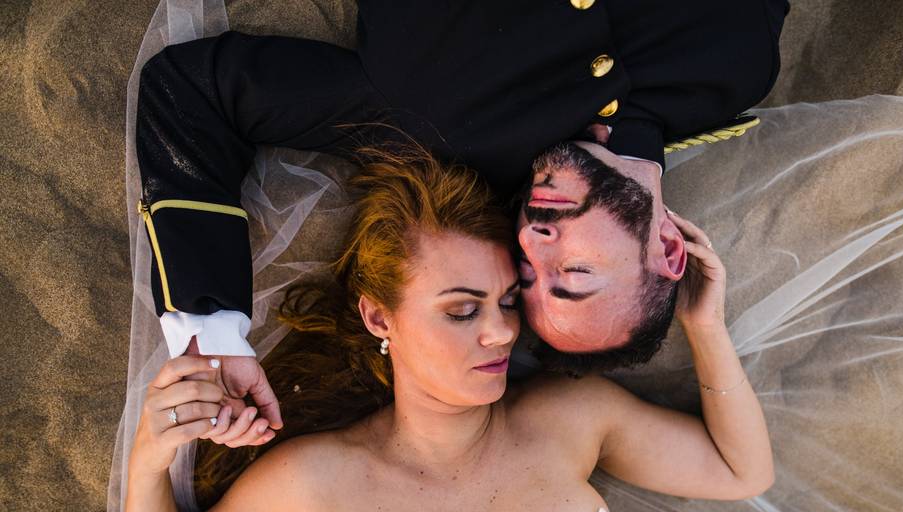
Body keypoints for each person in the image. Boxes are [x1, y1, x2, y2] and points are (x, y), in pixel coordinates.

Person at [113, 146, 774, 512]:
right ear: (380, 318)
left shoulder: (571, 418)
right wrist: (148, 463)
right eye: (462, 310)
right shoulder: (316, 485)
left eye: (509, 302)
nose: (499, 333)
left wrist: (702, 324)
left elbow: (741, 469)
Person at [133, 0, 790, 428]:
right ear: (669, 249)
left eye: (526, 279)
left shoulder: (432, 125)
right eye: (575, 272)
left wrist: (210, 335)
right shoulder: (738, 66)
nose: (534, 241)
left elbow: (192, 96)